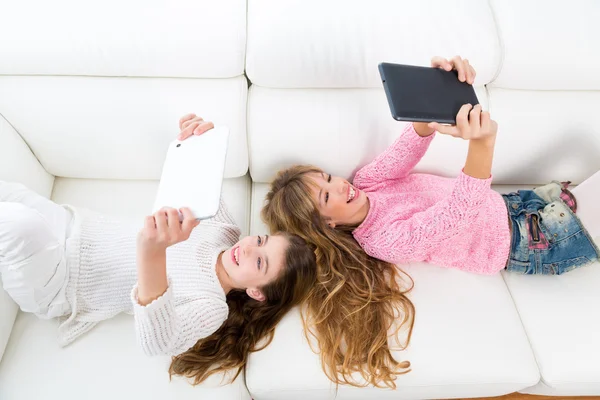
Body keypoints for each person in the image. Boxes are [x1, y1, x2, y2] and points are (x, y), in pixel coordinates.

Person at [256, 56, 600, 386]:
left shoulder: (366, 181)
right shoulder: (382, 240)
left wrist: (433, 93)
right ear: (326, 224)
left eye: (328, 178)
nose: (340, 185)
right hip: (527, 241)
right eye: (326, 197)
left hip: (515, 204)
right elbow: (458, 213)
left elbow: (411, 144)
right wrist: (482, 142)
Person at [0, 116, 317, 385]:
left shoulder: (211, 305)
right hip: (68, 223)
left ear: (256, 291)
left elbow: (159, 342)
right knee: (10, 194)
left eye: (259, 262)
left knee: (19, 224)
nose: (248, 248)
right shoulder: (224, 229)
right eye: (260, 241)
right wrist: (195, 139)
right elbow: (193, 179)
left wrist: (152, 253)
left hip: (59, 281)